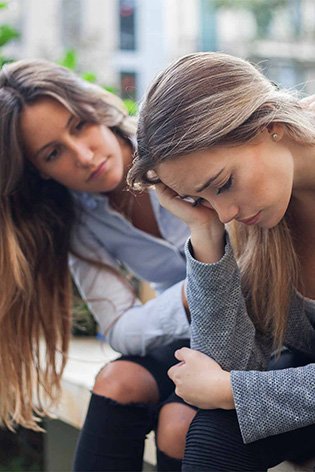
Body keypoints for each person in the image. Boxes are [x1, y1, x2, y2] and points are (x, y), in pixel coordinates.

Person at [0, 59, 197, 472]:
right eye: (54, 153)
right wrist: (192, 297)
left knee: (178, 422)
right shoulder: (81, 223)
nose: (84, 156)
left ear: (94, 109)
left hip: (270, 327)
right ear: (42, 173)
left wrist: (198, 296)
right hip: (195, 339)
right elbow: (120, 329)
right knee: (117, 381)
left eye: (78, 126)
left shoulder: (175, 140)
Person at [128, 51, 315, 471]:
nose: (224, 211)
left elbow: (224, 383)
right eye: (201, 198)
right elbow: (227, 365)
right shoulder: (258, 222)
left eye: (224, 184)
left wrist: (233, 391)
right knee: (213, 430)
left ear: (270, 124)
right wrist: (206, 235)